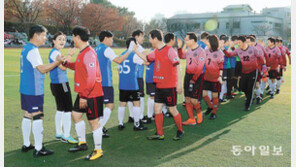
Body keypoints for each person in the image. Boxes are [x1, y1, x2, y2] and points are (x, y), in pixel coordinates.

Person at [20, 25, 64, 157]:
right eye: (44, 35)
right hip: (33, 89)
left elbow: (36, 68)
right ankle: (39, 148)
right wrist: (57, 62)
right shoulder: (32, 50)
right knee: (38, 115)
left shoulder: (26, 48)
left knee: (28, 114)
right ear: (36, 35)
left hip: (26, 88)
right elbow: (42, 69)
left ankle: (26, 144)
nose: (46, 38)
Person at [134, 29, 184, 140]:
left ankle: (180, 130)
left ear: (155, 38)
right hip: (159, 87)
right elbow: (147, 58)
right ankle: (160, 134)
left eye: (150, 38)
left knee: (172, 110)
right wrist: (136, 51)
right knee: (157, 109)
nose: (150, 40)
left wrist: (179, 84)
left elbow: (178, 67)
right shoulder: (156, 51)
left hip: (169, 86)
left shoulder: (170, 50)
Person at [63, 26, 104, 161]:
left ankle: (98, 150)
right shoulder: (83, 52)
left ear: (77, 37)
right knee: (76, 115)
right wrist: (66, 63)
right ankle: (83, 143)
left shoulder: (89, 53)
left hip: (92, 94)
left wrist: (84, 96)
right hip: (84, 92)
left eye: (73, 36)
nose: (72, 39)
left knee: (94, 122)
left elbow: (92, 77)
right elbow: (78, 66)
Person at [95, 30, 133, 137]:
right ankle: (98, 128)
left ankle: (100, 127)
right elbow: (119, 60)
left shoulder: (96, 48)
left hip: (96, 81)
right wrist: (129, 51)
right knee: (110, 106)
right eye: (111, 38)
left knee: (100, 107)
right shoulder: (106, 49)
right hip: (105, 82)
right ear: (106, 38)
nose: (112, 40)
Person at [49, 31, 78, 144]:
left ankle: (59, 133)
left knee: (60, 108)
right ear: (54, 41)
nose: (62, 41)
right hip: (61, 84)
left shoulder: (55, 52)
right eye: (59, 39)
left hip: (56, 84)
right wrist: (70, 55)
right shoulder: (55, 53)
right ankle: (66, 135)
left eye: (63, 39)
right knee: (67, 109)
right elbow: (63, 67)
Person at [223, 36, 264, 111]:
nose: (238, 44)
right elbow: (229, 55)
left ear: (244, 42)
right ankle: (249, 97)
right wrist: (223, 49)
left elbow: (261, 58)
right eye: (237, 43)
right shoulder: (238, 50)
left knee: (250, 88)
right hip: (244, 71)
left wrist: (261, 67)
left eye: (239, 43)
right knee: (242, 87)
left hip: (253, 71)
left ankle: (248, 104)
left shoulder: (253, 49)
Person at [117, 37, 148, 131]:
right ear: (133, 45)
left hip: (122, 84)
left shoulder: (122, 55)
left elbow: (118, 70)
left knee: (122, 104)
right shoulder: (134, 55)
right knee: (136, 103)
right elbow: (146, 62)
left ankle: (120, 123)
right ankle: (137, 124)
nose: (137, 45)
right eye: (136, 43)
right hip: (132, 84)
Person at [177, 32, 206, 125]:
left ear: (193, 40)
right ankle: (191, 119)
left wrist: (193, 79)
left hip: (197, 77)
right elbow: (181, 56)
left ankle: (199, 113)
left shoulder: (201, 51)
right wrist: (179, 47)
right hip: (188, 76)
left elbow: (200, 68)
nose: (185, 41)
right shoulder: (189, 50)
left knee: (194, 100)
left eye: (186, 39)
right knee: (187, 99)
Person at [202, 34, 224, 120]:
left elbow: (221, 67)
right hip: (207, 76)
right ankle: (210, 106)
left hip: (215, 77)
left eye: (207, 41)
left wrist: (220, 76)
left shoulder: (220, 53)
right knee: (203, 94)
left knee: (215, 96)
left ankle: (214, 112)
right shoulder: (205, 50)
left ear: (212, 42)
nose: (206, 42)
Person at [246, 35, 266, 104]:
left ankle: (258, 97)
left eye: (248, 42)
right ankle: (249, 97)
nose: (246, 43)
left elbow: (262, 60)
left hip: (256, 70)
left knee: (257, 84)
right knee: (248, 85)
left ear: (252, 42)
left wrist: (263, 69)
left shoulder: (258, 49)